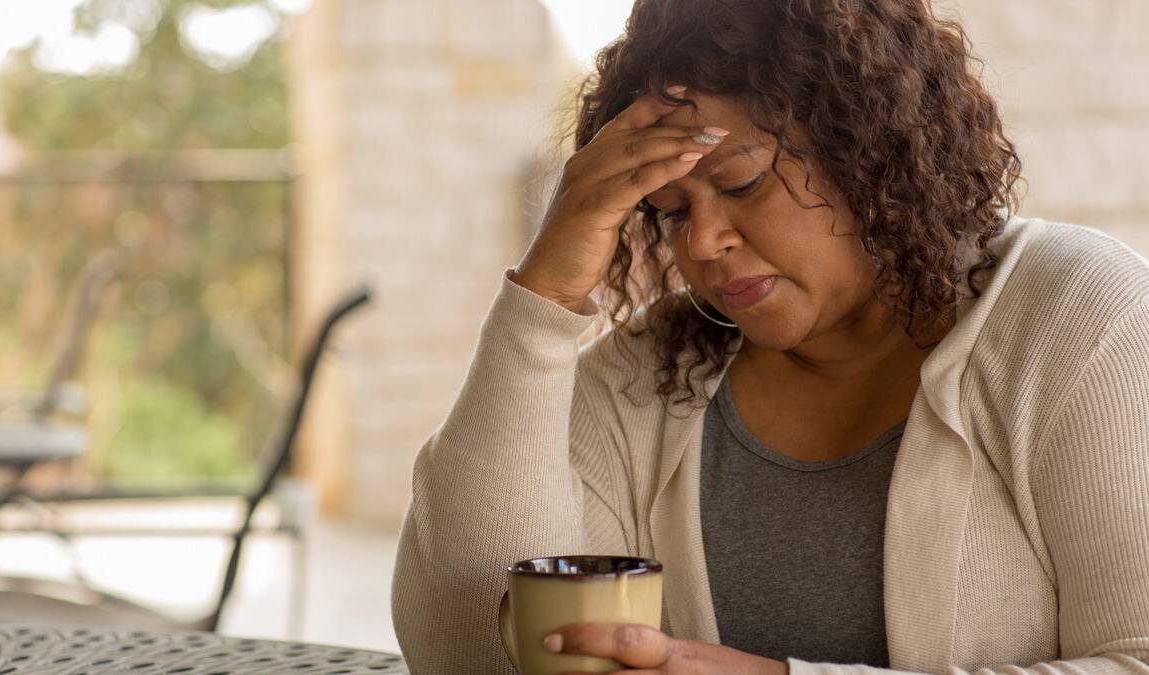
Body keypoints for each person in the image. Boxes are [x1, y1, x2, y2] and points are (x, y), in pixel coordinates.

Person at [391, 0, 1149, 673]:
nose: (703, 245)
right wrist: (547, 293)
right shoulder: (652, 375)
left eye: (742, 182)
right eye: (670, 210)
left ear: (866, 146)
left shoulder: (1079, 320)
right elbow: (466, 651)